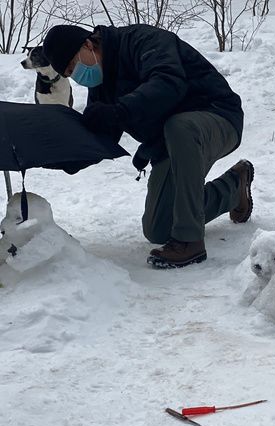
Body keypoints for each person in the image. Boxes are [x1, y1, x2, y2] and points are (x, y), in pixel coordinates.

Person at [42, 23, 253, 268]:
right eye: (69, 75)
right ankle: (234, 187)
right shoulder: (100, 81)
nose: (77, 76)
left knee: (180, 127)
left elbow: (168, 83)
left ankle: (190, 242)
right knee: (159, 228)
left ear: (87, 44)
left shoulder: (142, 40)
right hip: (169, 142)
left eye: (72, 66)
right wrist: (61, 155)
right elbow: (103, 135)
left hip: (217, 116)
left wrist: (120, 111)